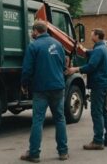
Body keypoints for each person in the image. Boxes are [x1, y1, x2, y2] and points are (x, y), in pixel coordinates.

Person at [19, 20, 69, 162]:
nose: (31, 33)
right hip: (58, 87)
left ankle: (34, 154)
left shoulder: (34, 46)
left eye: (32, 31)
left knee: (38, 121)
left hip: (41, 89)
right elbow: (63, 64)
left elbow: (27, 69)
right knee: (60, 119)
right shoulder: (58, 44)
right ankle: (63, 152)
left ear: (36, 31)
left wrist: (24, 84)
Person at [66, 29, 107, 150]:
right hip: (105, 84)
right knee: (104, 111)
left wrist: (75, 69)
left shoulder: (98, 50)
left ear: (97, 36)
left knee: (96, 112)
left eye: (92, 33)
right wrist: (85, 51)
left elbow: (91, 67)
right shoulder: (104, 49)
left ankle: (98, 141)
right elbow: (91, 53)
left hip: (98, 85)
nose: (90, 35)